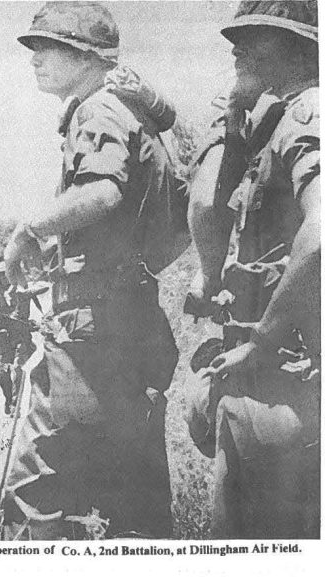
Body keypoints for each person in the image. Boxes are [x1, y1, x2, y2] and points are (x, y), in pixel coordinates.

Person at [0, 2, 180, 538]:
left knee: (41, 487)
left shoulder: (97, 109)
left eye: (47, 47)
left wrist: (27, 230)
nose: (35, 59)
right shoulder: (129, 112)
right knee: (133, 494)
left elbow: (102, 192)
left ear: (85, 55)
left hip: (93, 334)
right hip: (130, 320)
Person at [184, 0, 319, 538]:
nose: (235, 48)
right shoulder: (269, 123)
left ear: (297, 46)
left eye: (255, 36)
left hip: (288, 372)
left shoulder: (309, 112)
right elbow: (203, 206)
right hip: (260, 374)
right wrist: (230, 128)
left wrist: (263, 339)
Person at [0, 262, 38, 415]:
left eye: (8, 275)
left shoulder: (21, 293)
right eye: (1, 276)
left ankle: (15, 403)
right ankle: (8, 398)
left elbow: (25, 316)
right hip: (5, 338)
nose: (5, 279)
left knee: (18, 368)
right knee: (2, 370)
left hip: (21, 337)